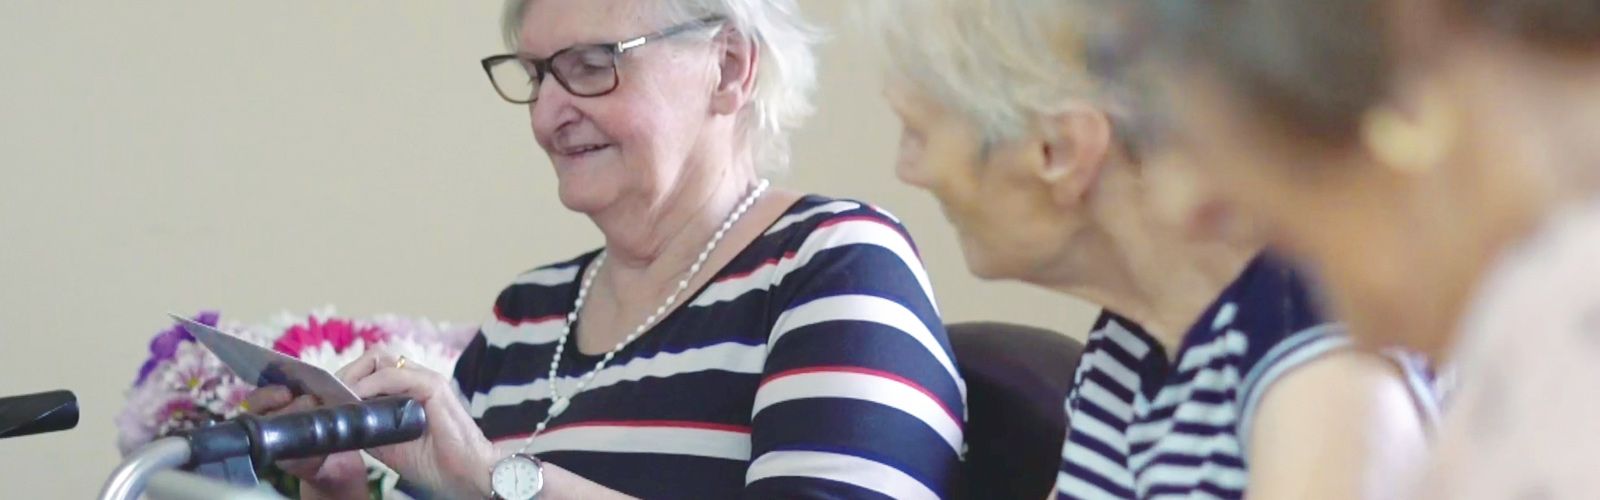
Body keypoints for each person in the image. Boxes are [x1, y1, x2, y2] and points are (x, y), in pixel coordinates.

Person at [245, 1, 965, 498]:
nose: (549, 111)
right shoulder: (526, 314)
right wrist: (336, 484)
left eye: (591, 64)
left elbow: (481, 480)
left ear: (730, 66)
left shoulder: (834, 267)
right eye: (536, 74)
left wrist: (498, 481)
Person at [864, 0, 1437, 498]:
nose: (907, 169)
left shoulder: (1325, 360)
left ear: (1058, 150)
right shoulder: (1133, 344)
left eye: (918, 133)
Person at [1084, 0, 1600, 497]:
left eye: (1293, 238)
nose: (1182, 208)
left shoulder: (1559, 318)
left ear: (1403, 97)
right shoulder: (1526, 331)